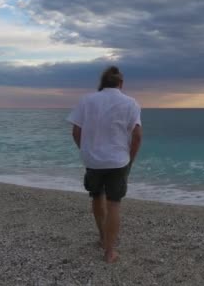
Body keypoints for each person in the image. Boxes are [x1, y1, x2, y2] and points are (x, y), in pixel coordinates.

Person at [67, 66, 142, 263]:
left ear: (102, 82)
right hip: (118, 160)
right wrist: (130, 160)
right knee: (114, 204)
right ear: (121, 83)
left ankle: (102, 237)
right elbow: (137, 136)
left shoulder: (87, 100)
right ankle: (109, 252)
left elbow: (76, 132)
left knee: (96, 197)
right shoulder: (130, 103)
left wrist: (86, 152)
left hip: (93, 160)